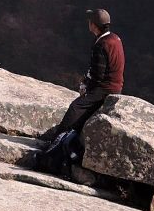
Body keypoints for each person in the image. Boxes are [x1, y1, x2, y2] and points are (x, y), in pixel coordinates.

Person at [42, 8, 125, 140]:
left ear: (93, 25)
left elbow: (98, 74)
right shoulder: (115, 38)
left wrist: (85, 88)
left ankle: (58, 138)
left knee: (76, 107)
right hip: (116, 86)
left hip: (105, 88)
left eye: (90, 21)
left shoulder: (101, 44)